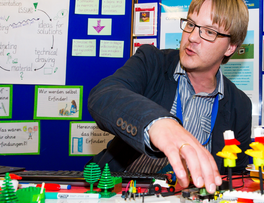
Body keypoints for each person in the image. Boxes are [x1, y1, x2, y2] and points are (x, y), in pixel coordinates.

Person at [88, 0, 251, 194]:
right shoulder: (152, 62)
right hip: (119, 190)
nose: (192, 37)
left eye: (209, 32)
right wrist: (157, 123)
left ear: (230, 47)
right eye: (191, 24)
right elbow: (104, 95)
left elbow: (237, 179)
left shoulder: (239, 106)